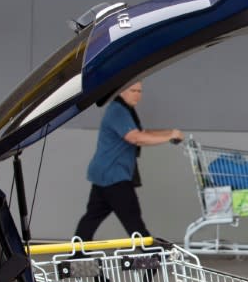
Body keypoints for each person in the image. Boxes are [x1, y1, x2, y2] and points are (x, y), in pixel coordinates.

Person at [74, 82, 183, 241]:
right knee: (134, 224)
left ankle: (76, 256)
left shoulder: (126, 110)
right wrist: (168, 137)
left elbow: (142, 132)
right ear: (122, 91)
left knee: (92, 218)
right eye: (133, 90)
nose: (137, 94)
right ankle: (152, 260)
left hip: (105, 174)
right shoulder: (118, 111)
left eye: (140, 91)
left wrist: (170, 133)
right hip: (113, 175)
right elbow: (135, 138)